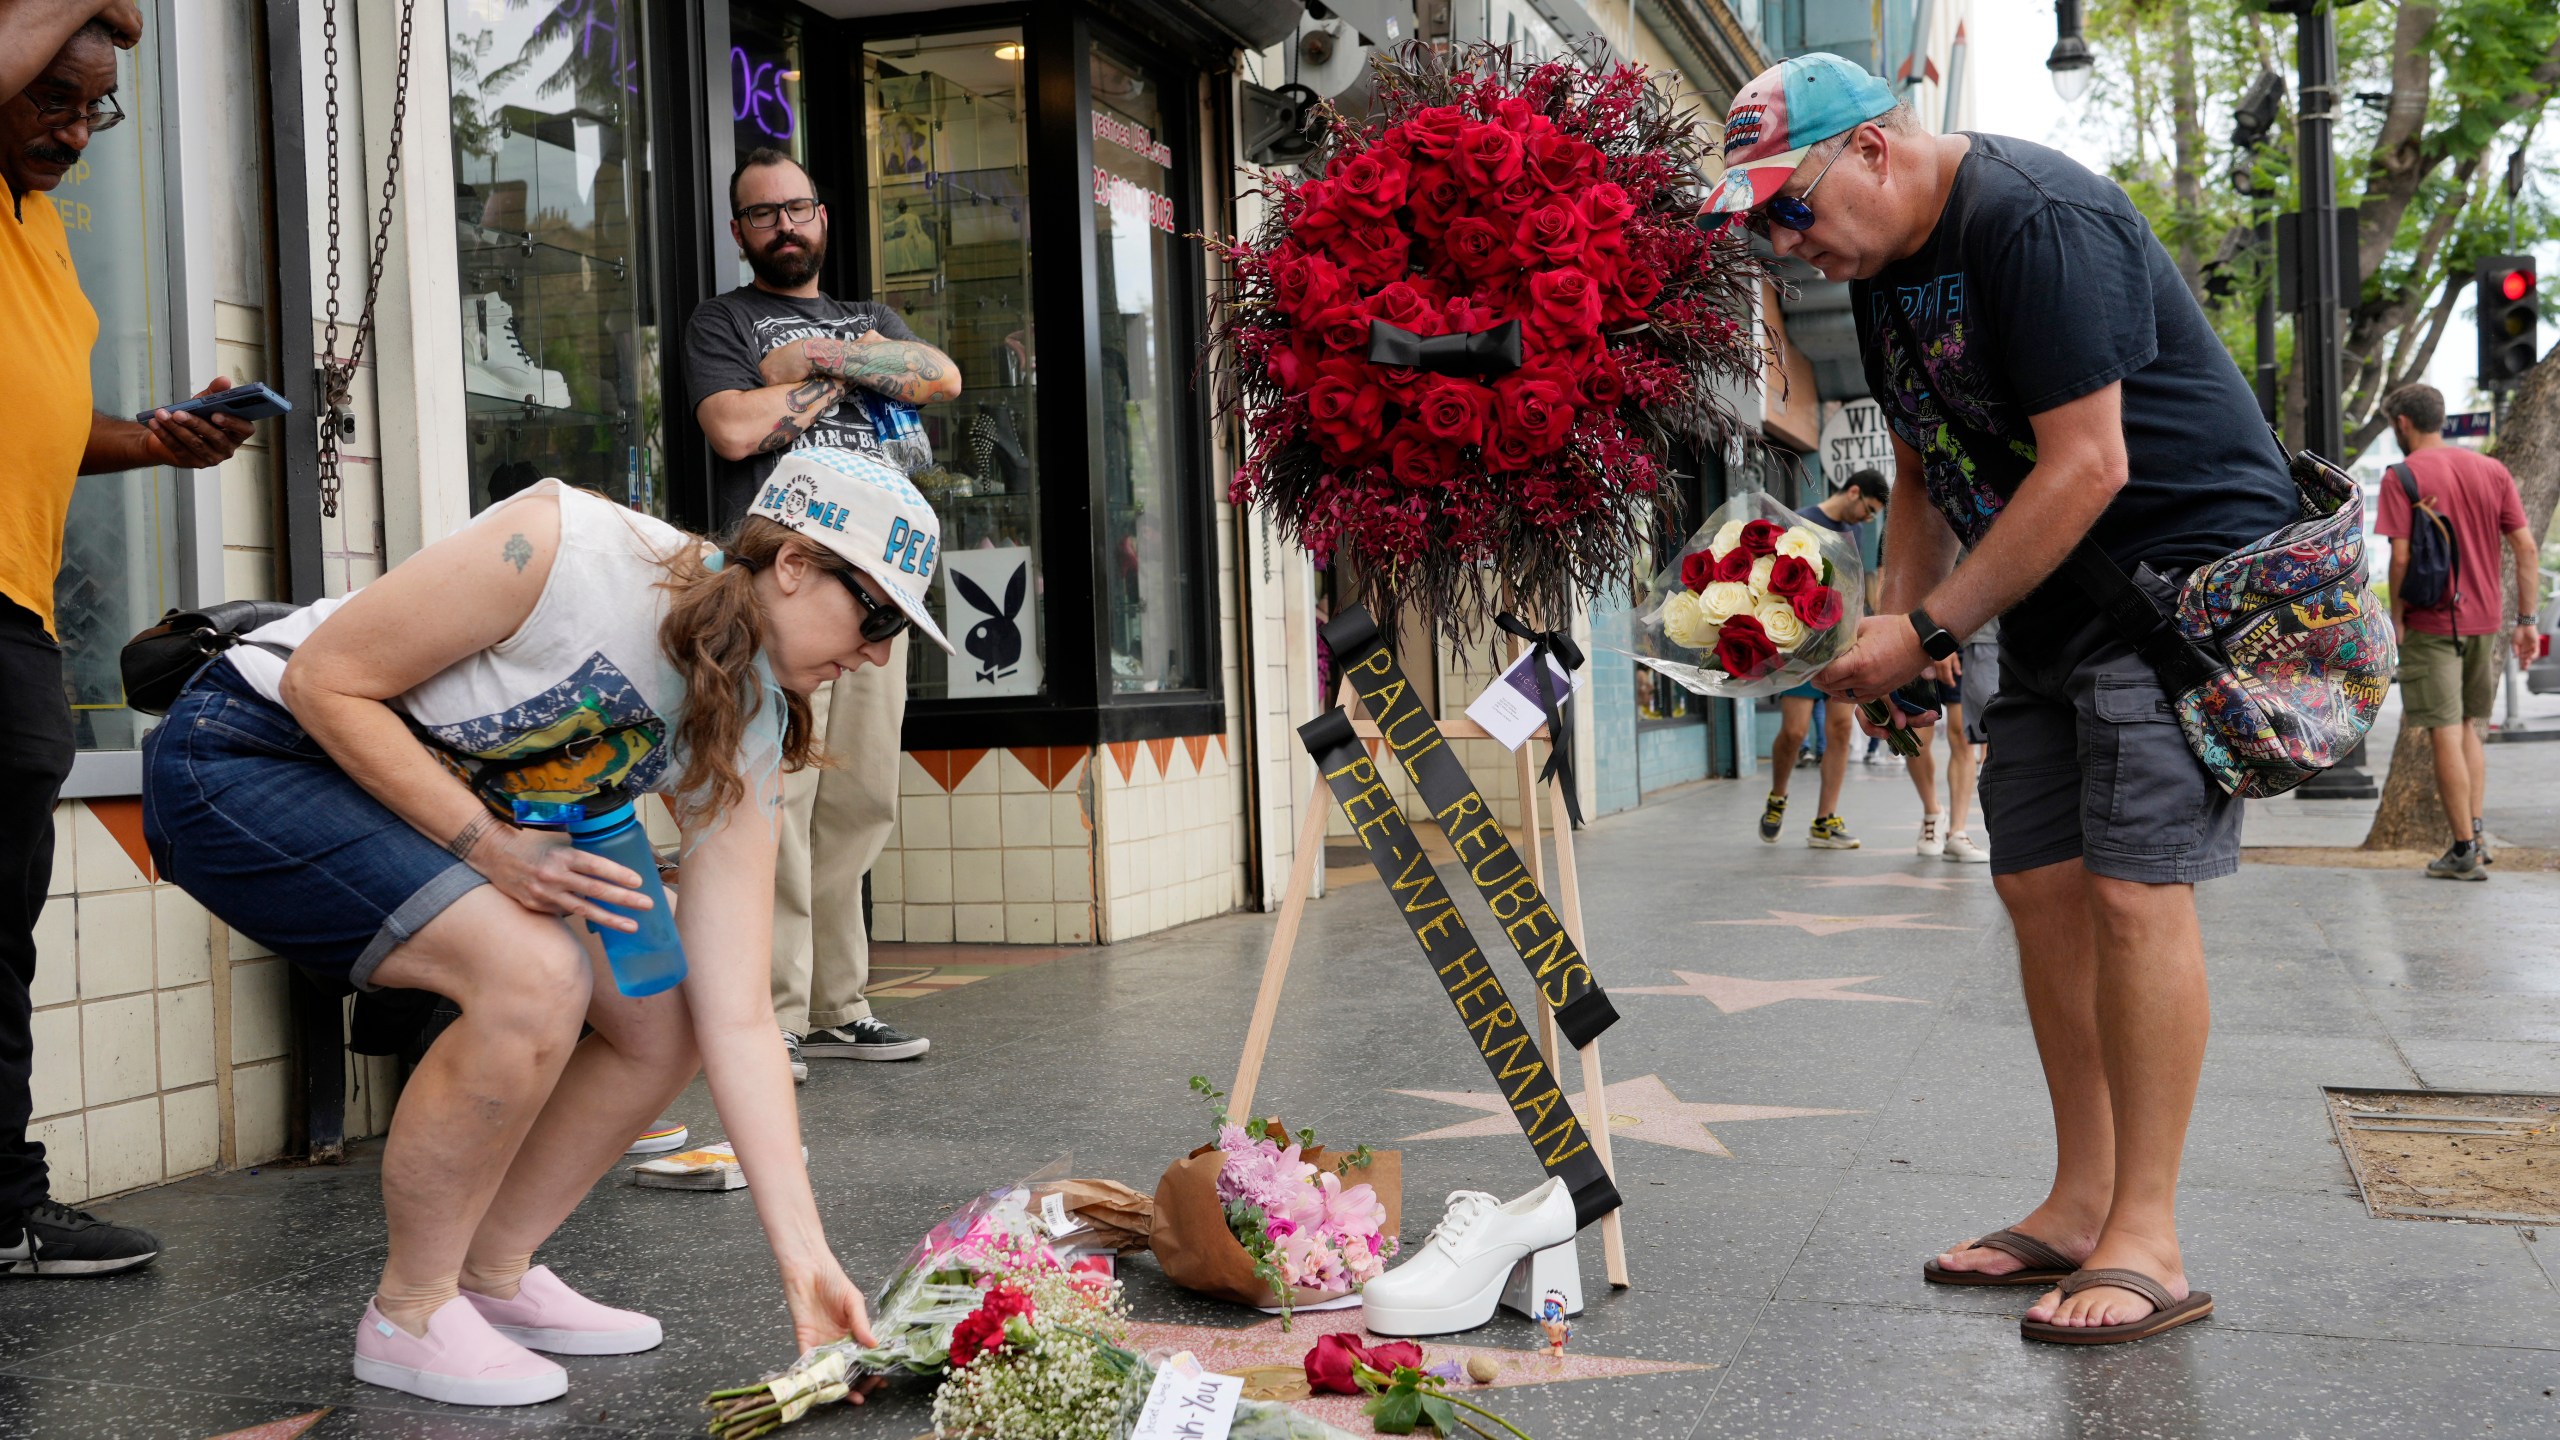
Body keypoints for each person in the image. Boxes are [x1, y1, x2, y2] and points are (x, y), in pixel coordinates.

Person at [141, 448, 955, 1404]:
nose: (879, 653)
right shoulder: (566, 547)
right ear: (792, 565)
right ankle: (409, 1313)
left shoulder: (750, 714)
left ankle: (489, 1277)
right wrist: (489, 847)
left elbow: (737, 1011)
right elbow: (327, 683)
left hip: (444, 812)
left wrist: (806, 1258)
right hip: (248, 753)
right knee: (533, 974)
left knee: (666, 1015)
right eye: (881, 615)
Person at [1712, 52, 2301, 1343]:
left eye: (1789, 206)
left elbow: (2090, 464)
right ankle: (2082, 1202)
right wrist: (1899, 632)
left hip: (2175, 589)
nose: (1784, 242)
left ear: (1872, 146)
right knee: (2037, 883)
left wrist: (1930, 622)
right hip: (2041, 594)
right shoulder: (1879, 271)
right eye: (1760, 226)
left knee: (2136, 886)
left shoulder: (2033, 219)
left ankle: (2149, 1233)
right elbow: (1927, 458)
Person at [3, 13, 251, 1279]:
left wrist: (159, 440)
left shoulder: (36, 224)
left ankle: (2, 1202)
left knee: (0, 927)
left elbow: (41, 416)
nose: (74, 130)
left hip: (17, 609)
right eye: (51, 95)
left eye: (94, 107)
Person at [686, 148, 961, 1077]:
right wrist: (857, 378)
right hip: (786, 589)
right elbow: (730, 426)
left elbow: (940, 377)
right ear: (740, 233)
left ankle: (842, 1003)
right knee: (781, 796)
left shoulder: (869, 317)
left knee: (859, 799)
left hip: (881, 590)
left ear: (823, 214)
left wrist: (820, 361)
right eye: (763, 215)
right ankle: (776, 1015)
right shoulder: (721, 321)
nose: (785, 227)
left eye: (798, 208)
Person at [2373, 383, 2541, 881]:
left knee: (2445, 729)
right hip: (2487, 620)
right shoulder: (2492, 470)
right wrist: (2526, 623)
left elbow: (2400, 558)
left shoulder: (2402, 475)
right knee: (2470, 726)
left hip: (2433, 619)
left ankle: (2464, 848)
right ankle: (2477, 835)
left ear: (2402, 422)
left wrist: (2398, 618)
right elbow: (2526, 549)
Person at [1759, 470, 1887, 849]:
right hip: (1800, 644)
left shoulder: (1858, 531)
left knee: (1840, 731)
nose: (1868, 520)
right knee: (1796, 732)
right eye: (1868, 510)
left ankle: (1824, 820)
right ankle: (1777, 797)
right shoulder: (1800, 520)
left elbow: (1856, 585)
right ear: (1852, 492)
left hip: (1841, 644)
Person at [1902, 652, 1987, 862]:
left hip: (1965, 644)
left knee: (1961, 733)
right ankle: (1933, 811)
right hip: (1918, 641)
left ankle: (1957, 831)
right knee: (1916, 739)